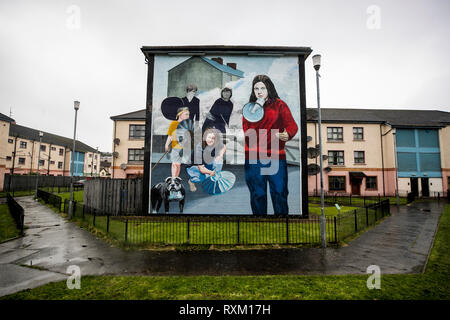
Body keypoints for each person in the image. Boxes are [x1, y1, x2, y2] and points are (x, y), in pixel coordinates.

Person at [242, 74, 298, 215]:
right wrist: (256, 110)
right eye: (256, 88)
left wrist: (288, 134)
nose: (259, 91)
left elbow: (292, 125)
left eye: (263, 88)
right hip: (254, 156)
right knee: (257, 193)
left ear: (269, 89)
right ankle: (260, 223)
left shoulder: (280, 105)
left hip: (275, 155)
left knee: (279, 191)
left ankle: (281, 222)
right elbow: (247, 132)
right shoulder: (249, 109)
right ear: (253, 90)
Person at [186, 128, 226, 192]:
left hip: (206, 164)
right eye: (209, 137)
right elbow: (201, 169)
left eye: (213, 138)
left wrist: (220, 155)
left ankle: (215, 180)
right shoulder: (199, 148)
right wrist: (211, 172)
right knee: (202, 177)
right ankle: (191, 181)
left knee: (219, 160)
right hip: (194, 167)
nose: (211, 140)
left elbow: (223, 147)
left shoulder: (215, 143)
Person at [165, 107, 191, 178]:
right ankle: (173, 178)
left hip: (184, 148)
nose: (188, 116)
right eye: (186, 114)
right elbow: (170, 136)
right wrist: (166, 145)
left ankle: (176, 178)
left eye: (188, 115)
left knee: (178, 164)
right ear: (180, 114)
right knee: (174, 164)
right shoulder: (173, 123)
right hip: (175, 147)